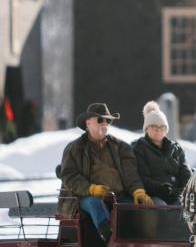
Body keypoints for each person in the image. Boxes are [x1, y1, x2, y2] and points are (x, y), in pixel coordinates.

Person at [58, 102, 152, 239]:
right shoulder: (75, 148)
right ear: (88, 123)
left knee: (135, 208)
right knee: (94, 203)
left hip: (118, 196)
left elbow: (130, 174)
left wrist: (138, 191)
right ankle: (109, 239)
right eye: (100, 119)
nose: (104, 123)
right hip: (84, 197)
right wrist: (91, 189)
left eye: (107, 120)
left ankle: (138, 245)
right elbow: (69, 176)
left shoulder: (121, 147)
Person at [131, 100, 191, 205]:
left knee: (185, 208)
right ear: (147, 129)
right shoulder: (139, 148)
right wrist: (163, 188)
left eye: (161, 127)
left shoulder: (176, 148)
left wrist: (183, 190)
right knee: (161, 208)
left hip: (176, 194)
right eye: (154, 127)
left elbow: (185, 172)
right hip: (152, 195)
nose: (158, 130)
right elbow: (142, 176)